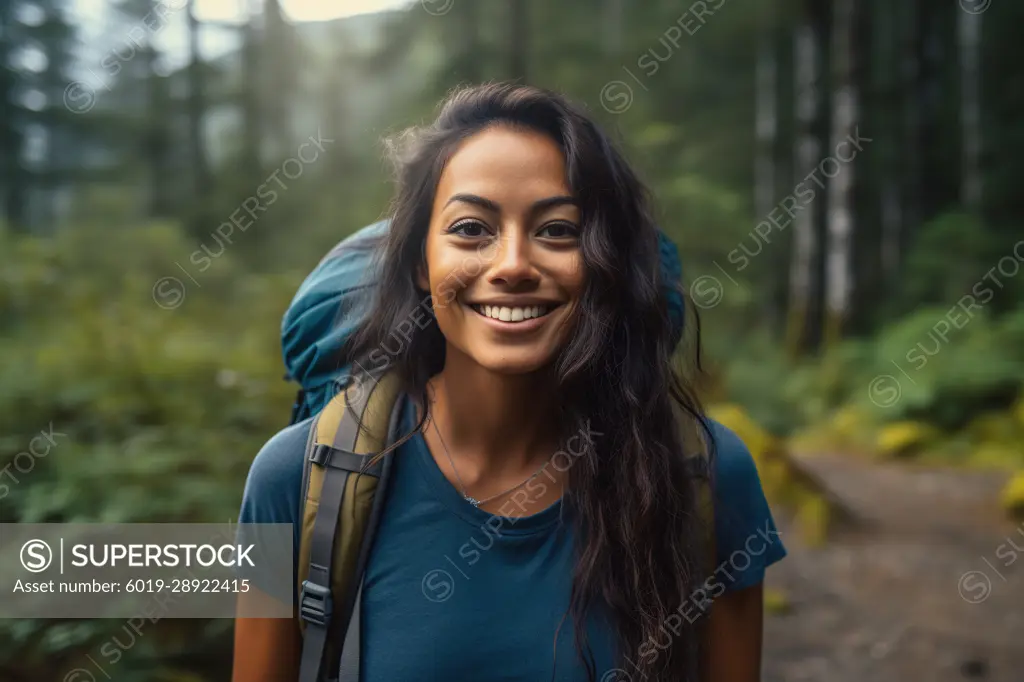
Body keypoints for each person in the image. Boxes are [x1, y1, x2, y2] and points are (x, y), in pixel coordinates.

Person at [232, 82, 786, 682]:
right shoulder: (294, 479)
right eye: (472, 229)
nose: (514, 265)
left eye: (558, 231)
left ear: (606, 265)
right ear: (422, 263)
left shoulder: (702, 474)